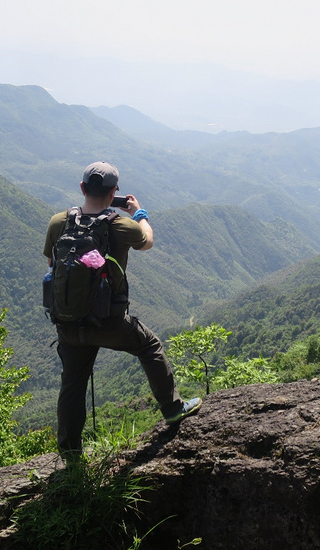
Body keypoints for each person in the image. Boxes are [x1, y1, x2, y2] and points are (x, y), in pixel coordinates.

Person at [43, 161, 201, 455]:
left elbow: (52, 267)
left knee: (72, 384)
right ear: (114, 191)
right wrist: (138, 213)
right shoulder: (119, 224)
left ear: (81, 188)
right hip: (109, 322)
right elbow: (148, 242)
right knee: (149, 346)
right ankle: (173, 408)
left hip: (68, 324)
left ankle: (69, 455)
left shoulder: (58, 222)